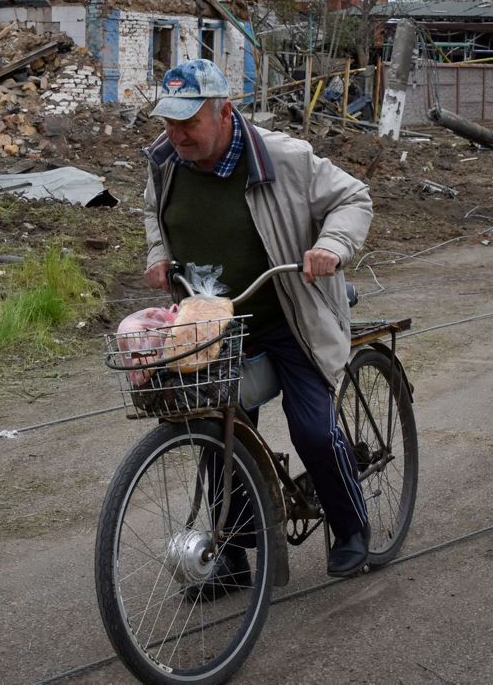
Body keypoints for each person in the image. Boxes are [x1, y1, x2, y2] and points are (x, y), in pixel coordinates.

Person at [142, 58, 373, 585]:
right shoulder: (163, 160)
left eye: (189, 122)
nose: (176, 134)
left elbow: (352, 198)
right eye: (169, 122)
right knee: (213, 427)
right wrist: (157, 253)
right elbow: (153, 213)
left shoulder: (285, 158)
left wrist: (331, 246)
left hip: (289, 312)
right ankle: (236, 553)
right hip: (213, 321)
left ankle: (351, 525)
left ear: (224, 111)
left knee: (313, 429)